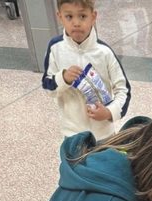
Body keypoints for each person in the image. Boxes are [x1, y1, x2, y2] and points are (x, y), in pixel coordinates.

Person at [42, 0, 131, 141]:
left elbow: (124, 90)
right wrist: (63, 78)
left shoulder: (105, 52)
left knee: (105, 163)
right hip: (72, 134)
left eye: (82, 16)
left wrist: (109, 112)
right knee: (72, 163)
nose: (76, 23)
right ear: (60, 17)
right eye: (69, 17)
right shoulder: (55, 48)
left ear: (93, 16)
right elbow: (48, 87)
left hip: (103, 134)